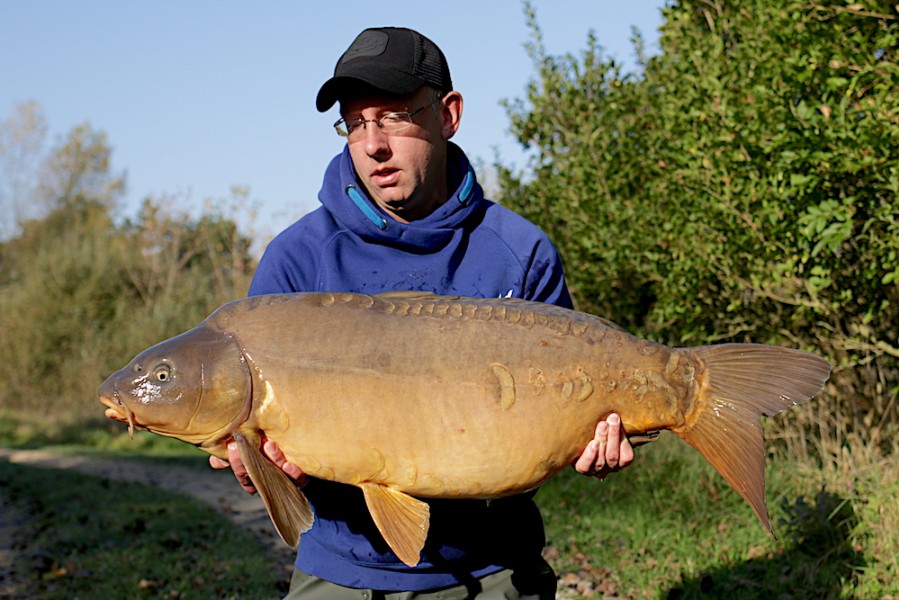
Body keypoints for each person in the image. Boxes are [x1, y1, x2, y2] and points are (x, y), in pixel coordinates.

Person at [210, 26, 634, 599]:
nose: (373, 144)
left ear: (448, 114)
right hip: (342, 569)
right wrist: (256, 465)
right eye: (356, 123)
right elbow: (264, 457)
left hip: (495, 564)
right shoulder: (299, 258)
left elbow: (573, 408)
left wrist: (596, 439)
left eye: (393, 118)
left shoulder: (520, 250)